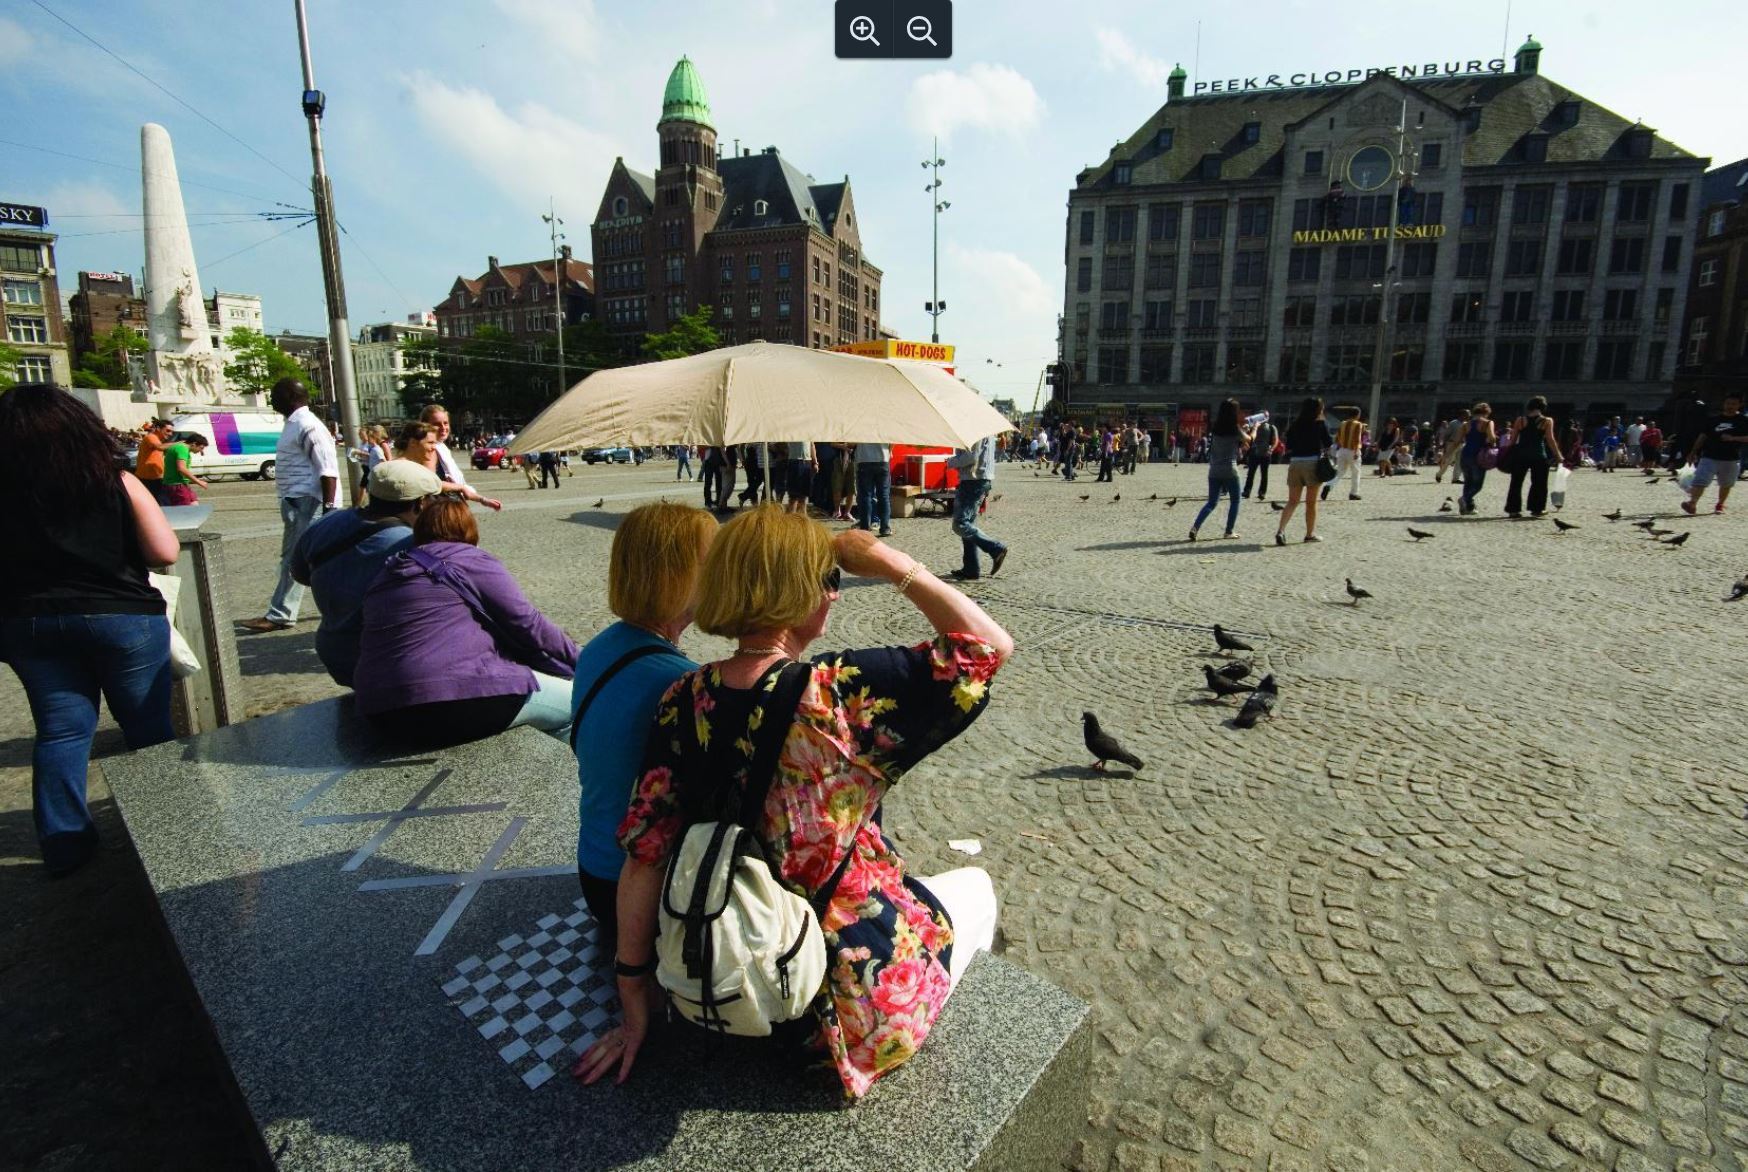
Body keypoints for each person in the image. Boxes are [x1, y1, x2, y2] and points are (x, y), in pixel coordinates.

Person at [573, 508, 1012, 1099]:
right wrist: (890, 563)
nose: (834, 594)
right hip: (847, 1005)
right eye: (828, 579)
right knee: (975, 889)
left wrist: (633, 1000)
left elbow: (645, 855)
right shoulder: (840, 692)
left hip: (723, 985)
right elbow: (988, 646)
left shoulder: (683, 697)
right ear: (802, 593)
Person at [0, 384, 179, 876]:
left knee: (60, 732)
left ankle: (65, 846)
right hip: (120, 615)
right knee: (147, 726)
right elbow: (163, 551)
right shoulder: (113, 479)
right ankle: (172, 831)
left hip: (28, 621)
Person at [570, 503, 717, 945]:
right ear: (678, 575)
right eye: (711, 561)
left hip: (595, 870)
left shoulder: (600, 647)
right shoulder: (678, 682)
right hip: (641, 898)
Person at [353, 498, 578, 744]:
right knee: (583, 703)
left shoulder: (389, 572)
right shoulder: (468, 558)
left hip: (380, 712)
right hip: (450, 701)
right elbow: (528, 623)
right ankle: (589, 779)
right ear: (467, 529)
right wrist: (584, 659)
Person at [289, 459, 439, 687]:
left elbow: (299, 574)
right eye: (432, 500)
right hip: (390, 663)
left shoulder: (326, 523)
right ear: (420, 504)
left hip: (335, 654)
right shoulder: (411, 546)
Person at [241, 378, 339, 633]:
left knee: (300, 560)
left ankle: (281, 613)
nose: (271, 398)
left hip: (309, 502)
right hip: (297, 502)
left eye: (275, 393)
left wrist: (328, 508)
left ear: (290, 396)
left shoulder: (308, 425)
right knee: (302, 560)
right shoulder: (293, 424)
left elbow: (327, 470)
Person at [397, 421, 502, 510]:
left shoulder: (416, 467)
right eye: (430, 443)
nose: (434, 447)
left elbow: (435, 483)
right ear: (413, 443)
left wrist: (481, 499)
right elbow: (431, 483)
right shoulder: (402, 468)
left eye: (435, 443)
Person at [947, 433, 1009, 580]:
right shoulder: (982, 429)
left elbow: (972, 457)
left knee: (960, 524)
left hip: (973, 480)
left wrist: (950, 462)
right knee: (968, 525)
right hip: (976, 479)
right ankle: (971, 568)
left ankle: (995, 548)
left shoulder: (977, 431)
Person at [1276, 397, 1334, 546]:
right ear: (1318, 409)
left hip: (1295, 463)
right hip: (1312, 463)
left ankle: (1281, 531)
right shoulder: (1320, 423)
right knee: (1311, 502)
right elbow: (1329, 443)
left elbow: (1289, 445)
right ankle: (1309, 534)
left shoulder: (1295, 424)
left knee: (1292, 501)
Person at [1681, 390, 1748, 515]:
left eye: (1733, 404)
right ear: (1724, 404)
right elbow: (1702, 436)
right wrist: (1693, 452)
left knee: (1726, 484)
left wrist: (1733, 438)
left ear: (1739, 405)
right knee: (1700, 480)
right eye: (1728, 403)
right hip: (1709, 456)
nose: (1730, 406)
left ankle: (1720, 504)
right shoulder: (1713, 419)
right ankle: (1692, 503)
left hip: (1731, 458)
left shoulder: (1743, 421)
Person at [1191, 399, 1247, 541]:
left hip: (1214, 470)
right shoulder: (1235, 428)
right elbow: (1249, 439)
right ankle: (1228, 531)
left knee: (1211, 503)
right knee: (1235, 500)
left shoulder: (1215, 428)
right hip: (1230, 469)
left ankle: (1195, 527)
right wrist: (1254, 429)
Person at [1503, 396, 1564, 518]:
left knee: (1516, 483)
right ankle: (1537, 509)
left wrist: (1504, 453)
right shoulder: (1547, 421)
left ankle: (1513, 509)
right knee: (1539, 483)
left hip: (1521, 455)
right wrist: (1558, 456)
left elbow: (1512, 440)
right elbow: (1550, 440)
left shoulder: (1520, 420)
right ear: (1543, 407)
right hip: (1539, 455)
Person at [1457, 403, 1497, 515]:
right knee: (1478, 484)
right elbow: (1492, 438)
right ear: (1487, 413)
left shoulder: (1465, 424)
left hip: (1465, 454)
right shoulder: (1488, 422)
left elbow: (1457, 441)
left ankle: (1467, 508)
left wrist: (1446, 456)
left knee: (1468, 482)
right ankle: (1465, 499)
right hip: (1478, 455)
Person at [419, 404, 470, 487]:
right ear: (425, 425)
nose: (443, 427)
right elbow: (430, 483)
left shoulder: (441, 446)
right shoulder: (429, 449)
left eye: (445, 423)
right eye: (437, 424)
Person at [1322, 408, 1363, 502]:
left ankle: (1329, 485)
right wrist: (1356, 451)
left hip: (1342, 450)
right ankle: (1353, 493)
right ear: (1357, 415)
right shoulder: (1358, 424)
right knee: (1356, 473)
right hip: (1352, 450)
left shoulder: (1343, 423)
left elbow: (1337, 438)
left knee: (1340, 472)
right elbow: (1357, 439)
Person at [854, 441, 893, 536]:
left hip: (864, 460)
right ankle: (885, 528)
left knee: (866, 496)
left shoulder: (859, 425)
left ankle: (865, 528)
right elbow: (892, 439)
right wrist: (889, 451)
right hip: (882, 459)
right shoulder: (884, 425)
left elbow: (852, 442)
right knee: (883, 496)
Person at [161, 433, 209, 505]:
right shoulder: (183, 449)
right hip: (177, 485)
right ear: (194, 444)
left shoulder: (178, 447)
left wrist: (201, 449)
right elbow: (181, 468)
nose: (200, 450)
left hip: (180, 484)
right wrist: (199, 482)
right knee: (186, 511)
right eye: (201, 448)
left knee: (194, 504)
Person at [134, 419, 173, 503]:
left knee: (160, 503)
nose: (170, 434)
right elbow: (159, 447)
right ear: (158, 428)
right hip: (149, 479)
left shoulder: (158, 440)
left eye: (171, 432)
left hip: (155, 478)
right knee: (161, 503)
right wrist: (180, 443)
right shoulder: (151, 437)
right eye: (168, 431)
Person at [1242, 411, 1277, 501]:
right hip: (1254, 453)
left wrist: (1271, 449)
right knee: (1250, 473)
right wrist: (1246, 445)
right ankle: (1247, 491)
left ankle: (1262, 492)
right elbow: (1246, 437)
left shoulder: (1271, 427)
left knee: (1264, 474)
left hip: (1265, 454)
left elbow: (1275, 440)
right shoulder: (1252, 426)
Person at [783, 440, 818, 515]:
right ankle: (789, 521)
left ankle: (803, 521)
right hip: (794, 461)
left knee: (804, 496)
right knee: (794, 497)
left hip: (807, 462)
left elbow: (812, 445)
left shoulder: (808, 431)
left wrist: (815, 462)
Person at [1435, 411, 1470, 484]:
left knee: (1459, 462)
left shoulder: (1466, 423)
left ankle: (1455, 478)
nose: (1468, 416)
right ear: (1462, 415)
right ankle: (1439, 474)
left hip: (1462, 444)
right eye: (1467, 414)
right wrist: (1444, 444)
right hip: (1452, 443)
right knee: (1448, 461)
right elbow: (1447, 434)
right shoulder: (1453, 423)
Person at [831, 441, 856, 520]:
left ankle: (847, 512)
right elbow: (832, 443)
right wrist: (843, 446)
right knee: (837, 486)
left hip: (853, 460)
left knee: (851, 488)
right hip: (838, 459)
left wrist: (850, 445)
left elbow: (858, 443)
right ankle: (837, 511)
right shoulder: (838, 430)